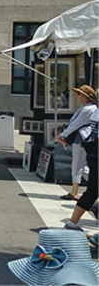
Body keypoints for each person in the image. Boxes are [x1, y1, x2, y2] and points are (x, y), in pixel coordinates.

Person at [62, 86, 98, 232]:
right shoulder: (91, 110)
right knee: (92, 190)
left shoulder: (95, 112)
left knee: (92, 191)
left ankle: (72, 223)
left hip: (93, 154)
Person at [57, 85, 97, 201]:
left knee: (77, 164)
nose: (77, 96)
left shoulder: (87, 109)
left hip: (82, 138)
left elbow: (75, 124)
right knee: (83, 166)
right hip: (87, 138)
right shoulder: (89, 108)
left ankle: (74, 191)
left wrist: (63, 135)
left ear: (85, 97)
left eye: (79, 94)